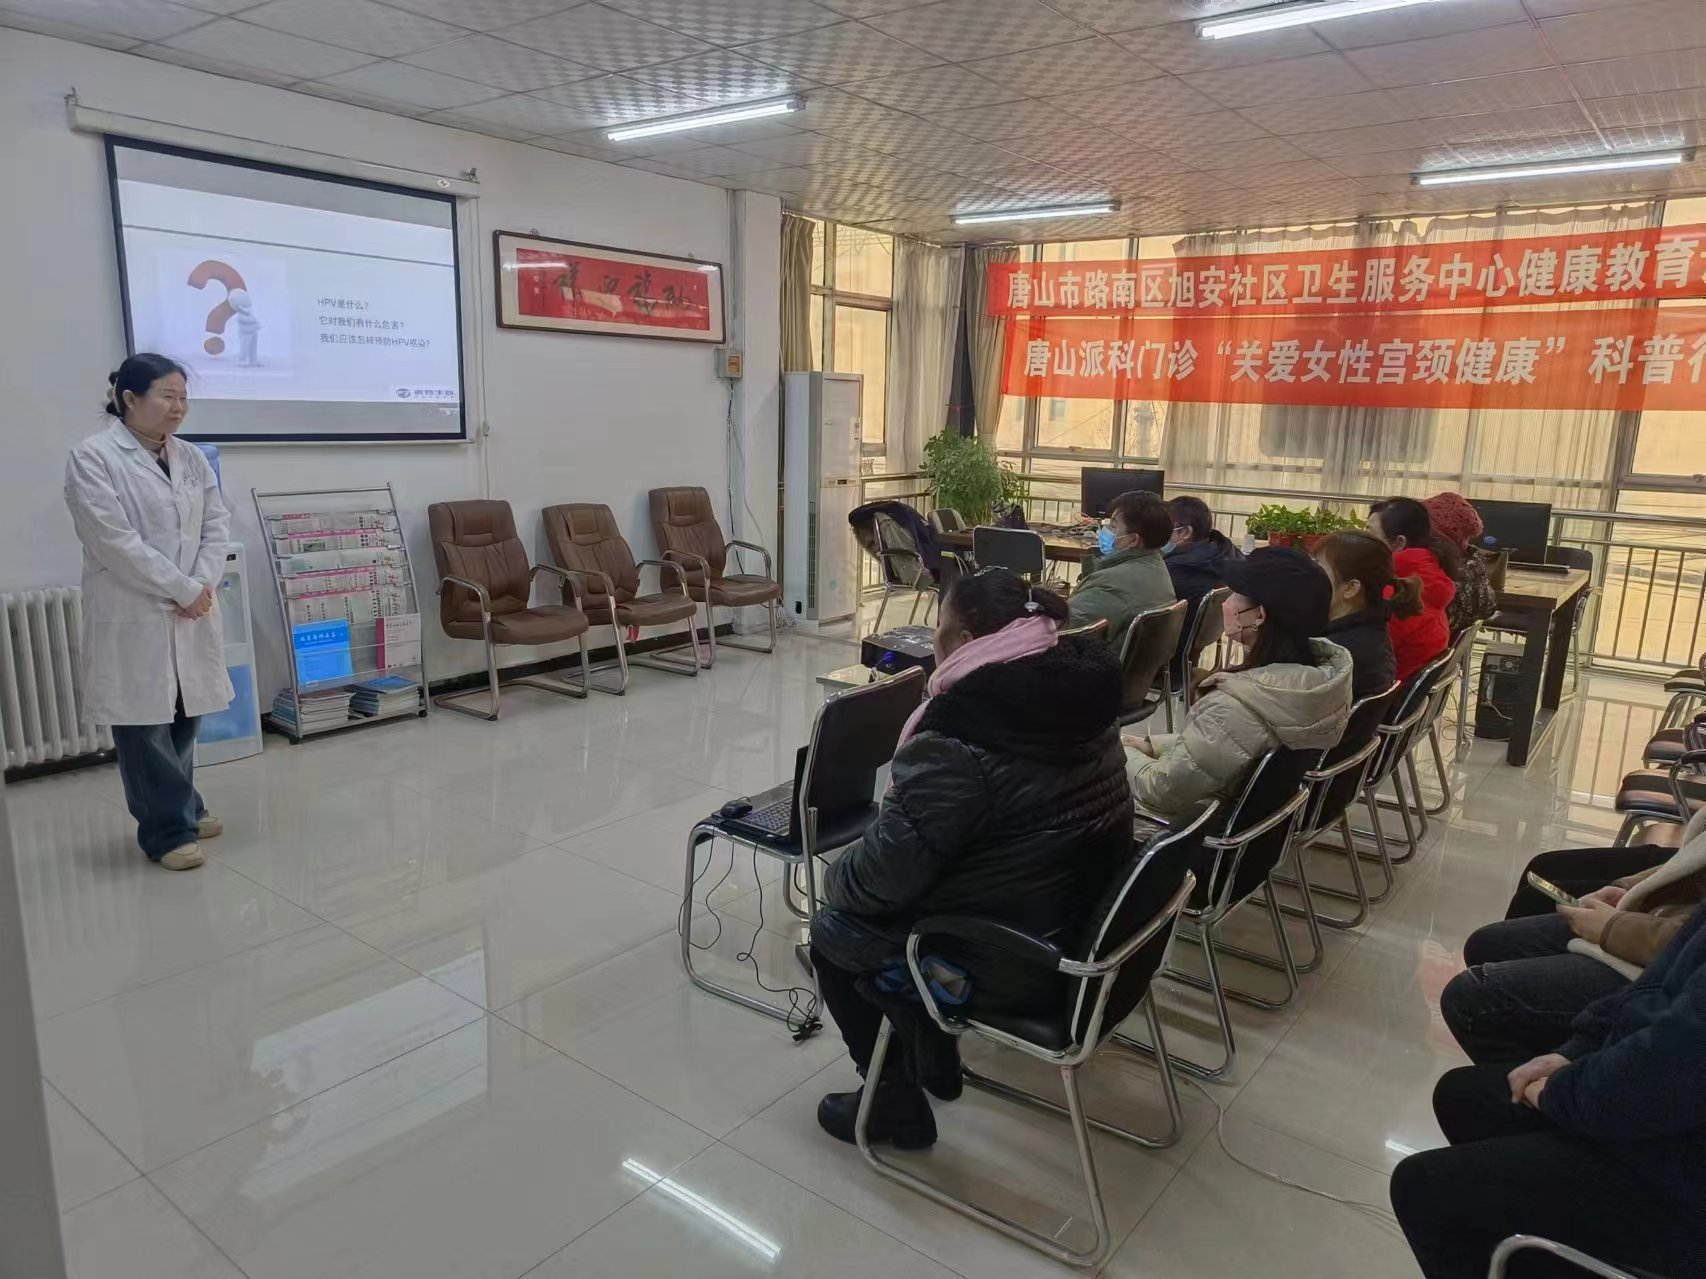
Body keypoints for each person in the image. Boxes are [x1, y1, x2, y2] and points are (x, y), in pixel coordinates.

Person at [810, 570, 1131, 1149]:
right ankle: (932, 1054)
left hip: (1016, 958)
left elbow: (882, 879)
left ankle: (894, 1107)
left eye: (939, 626)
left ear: (962, 640)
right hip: (1082, 920)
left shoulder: (959, 740)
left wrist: (836, 875)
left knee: (835, 931)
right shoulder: (1082, 697)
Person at [1389, 905, 1706, 1279]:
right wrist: (1576, 1051)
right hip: (1669, 1117)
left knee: (1422, 1189)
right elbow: (1663, 978)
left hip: (1686, 1187)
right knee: (1465, 1099)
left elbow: (1668, 1068)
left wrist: (1565, 1092)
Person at [65, 355, 233, 871]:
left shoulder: (191, 457)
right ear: (130, 399)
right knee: (144, 727)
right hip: (134, 608)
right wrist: (182, 588)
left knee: (183, 714)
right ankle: (167, 833)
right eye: (167, 396)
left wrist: (201, 583)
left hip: (191, 606)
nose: (178, 407)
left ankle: (185, 807)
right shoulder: (93, 458)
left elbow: (217, 524)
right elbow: (114, 542)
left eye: (183, 398)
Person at [1441, 808, 1706, 1065]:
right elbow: (1692, 858)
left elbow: (1690, 945)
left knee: (1468, 998)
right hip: (1665, 920)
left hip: (1673, 970)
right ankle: (1548, 1055)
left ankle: (1553, 1080)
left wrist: (1611, 928)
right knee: (1488, 943)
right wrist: (1629, 887)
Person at [1124, 546, 1352, 819]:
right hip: (1260, 825)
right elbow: (1236, 743)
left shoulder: (1234, 707)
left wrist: (1119, 753)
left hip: (1197, 831)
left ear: (1259, 616)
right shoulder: (1316, 681)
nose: (1227, 603)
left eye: (1235, 595)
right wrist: (1153, 746)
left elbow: (1161, 791)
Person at [1068, 490, 1176, 649]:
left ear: (1133, 540)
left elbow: (1063, 629)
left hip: (1090, 661)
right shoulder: (1155, 566)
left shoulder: (1112, 585)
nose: (1104, 529)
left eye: (1112, 526)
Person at [1314, 531, 1414, 700]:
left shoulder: (1338, 654)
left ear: (1350, 588)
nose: (1307, 575)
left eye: (1318, 569)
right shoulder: (1370, 628)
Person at [1366, 497, 1456, 682]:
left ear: (1399, 543)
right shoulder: (1429, 577)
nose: (1361, 542)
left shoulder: (1397, 593)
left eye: (1369, 535)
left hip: (1382, 690)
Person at [1425, 492, 1498, 635]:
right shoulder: (1473, 562)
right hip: (1446, 644)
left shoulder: (1429, 565)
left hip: (1419, 645)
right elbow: (1488, 609)